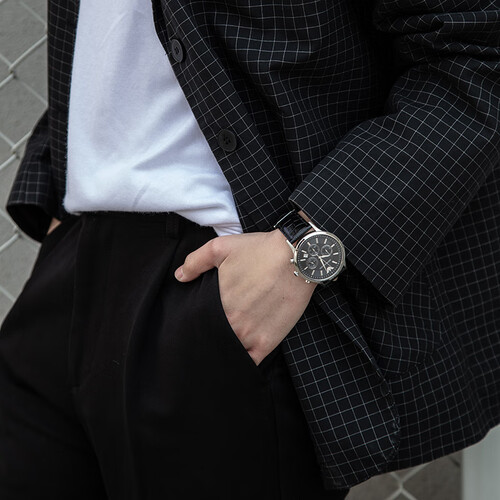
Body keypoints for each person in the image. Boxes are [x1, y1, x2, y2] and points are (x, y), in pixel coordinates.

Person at [1, 0, 499, 498]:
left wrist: (307, 241)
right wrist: (51, 186)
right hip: (71, 266)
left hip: (233, 275)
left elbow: (477, 48)